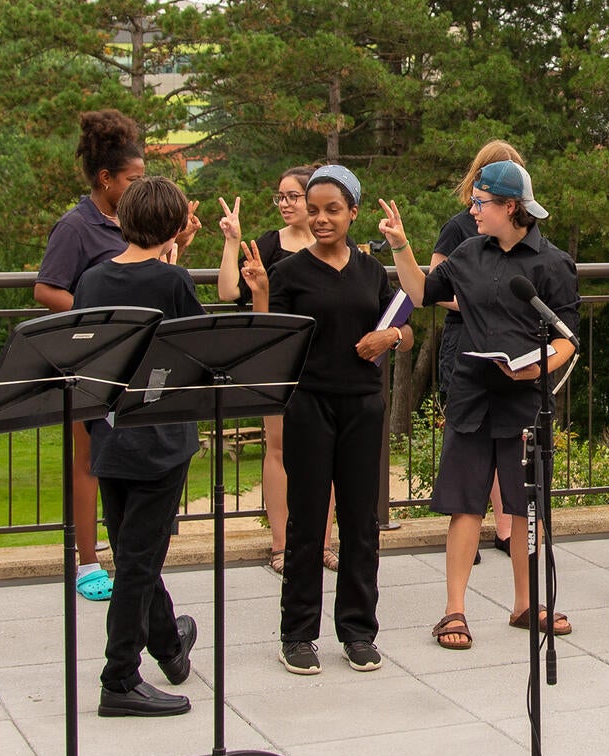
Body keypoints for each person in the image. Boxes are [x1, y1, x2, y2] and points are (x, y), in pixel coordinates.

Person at [384, 159, 578, 650]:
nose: (472, 210)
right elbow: (421, 292)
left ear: (511, 207)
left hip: (523, 401)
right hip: (471, 395)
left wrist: (535, 368)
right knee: (465, 506)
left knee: (526, 507)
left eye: (481, 202)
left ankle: (526, 605)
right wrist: (401, 245)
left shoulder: (552, 264)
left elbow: (567, 339)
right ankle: (454, 611)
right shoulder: (468, 253)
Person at [244, 165, 411, 672]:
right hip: (310, 405)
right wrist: (259, 292)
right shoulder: (289, 272)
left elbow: (400, 320)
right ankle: (297, 633)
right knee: (308, 523)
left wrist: (392, 338)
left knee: (361, 522)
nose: (320, 219)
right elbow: (270, 340)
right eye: (312, 209)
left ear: (353, 213)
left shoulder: (369, 271)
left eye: (332, 210)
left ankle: (358, 630)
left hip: (362, 404)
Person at [72, 177, 203, 717]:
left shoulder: (92, 279)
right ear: (175, 229)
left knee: (132, 549)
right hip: (159, 440)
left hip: (107, 433)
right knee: (138, 563)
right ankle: (119, 678)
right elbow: (198, 349)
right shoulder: (172, 280)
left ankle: (169, 645)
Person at [35, 110, 144, 596]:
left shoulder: (131, 222)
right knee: (87, 459)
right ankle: (86, 563)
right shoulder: (76, 226)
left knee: (125, 456)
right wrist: (99, 312)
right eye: (133, 179)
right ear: (106, 179)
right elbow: (46, 289)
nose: (140, 187)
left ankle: (130, 550)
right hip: (87, 358)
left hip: (131, 358)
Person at [431, 140, 531, 546]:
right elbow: (433, 284)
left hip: (509, 346)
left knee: (506, 438)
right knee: (471, 441)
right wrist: (479, 302)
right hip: (465, 339)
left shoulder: (523, 234)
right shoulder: (461, 226)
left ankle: (507, 528)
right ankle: (470, 532)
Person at [222, 167, 315, 570]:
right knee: (277, 448)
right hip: (278, 360)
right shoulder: (267, 246)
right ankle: (281, 545)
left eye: (293, 196)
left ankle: (322, 542)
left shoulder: (331, 246)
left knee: (322, 454)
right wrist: (232, 242)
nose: (286, 204)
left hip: (323, 359)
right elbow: (228, 291)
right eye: (281, 196)